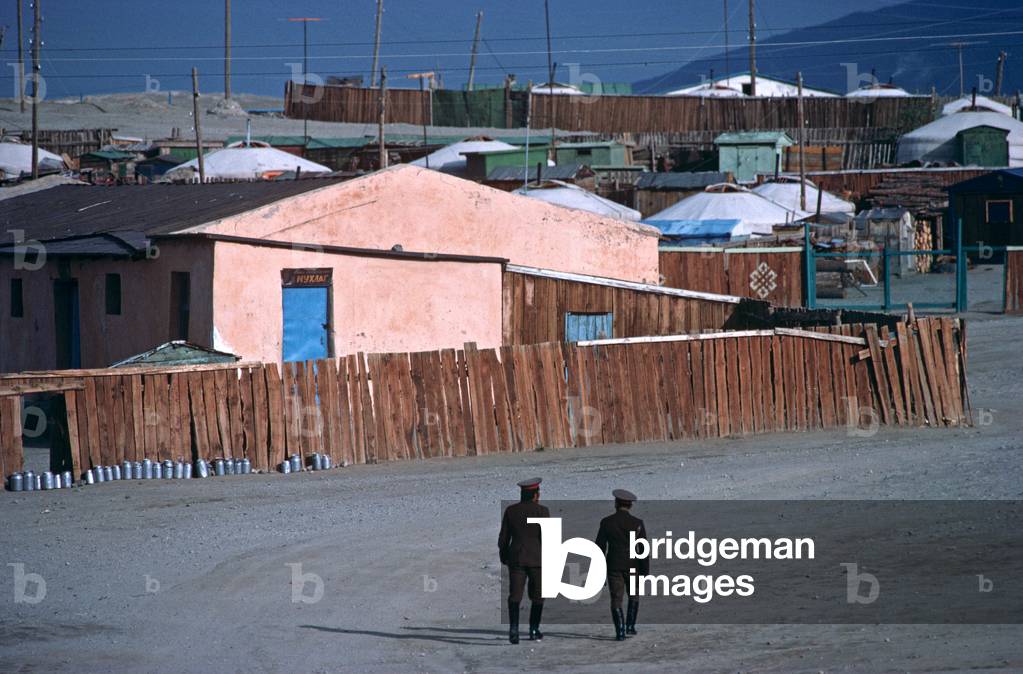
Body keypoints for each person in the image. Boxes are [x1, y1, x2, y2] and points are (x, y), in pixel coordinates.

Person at [498, 477, 549, 644]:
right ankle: (534, 630)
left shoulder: (511, 511)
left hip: (517, 558)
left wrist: (504, 556)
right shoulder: (542, 511)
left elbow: (503, 538)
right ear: (535, 495)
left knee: (515, 595)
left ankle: (514, 630)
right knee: (538, 596)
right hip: (537, 559)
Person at [595, 489, 648, 640]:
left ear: (616, 504)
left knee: (616, 598)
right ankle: (630, 626)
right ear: (630, 505)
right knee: (634, 595)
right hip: (633, 564)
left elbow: (599, 547)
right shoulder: (637, 523)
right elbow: (643, 549)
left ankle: (620, 632)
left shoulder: (606, 522)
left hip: (613, 565)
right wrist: (644, 571)